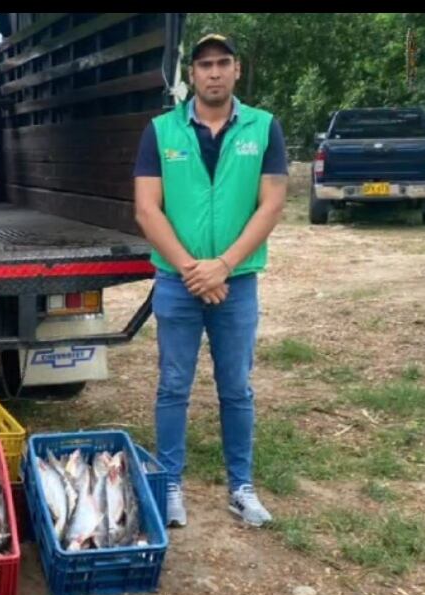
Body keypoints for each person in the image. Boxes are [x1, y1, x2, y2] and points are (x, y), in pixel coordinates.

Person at [133, 34, 288, 528]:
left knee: (236, 388)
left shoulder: (264, 128)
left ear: (236, 70)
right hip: (178, 283)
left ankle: (241, 487)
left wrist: (222, 265)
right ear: (192, 74)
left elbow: (272, 204)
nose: (214, 73)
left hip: (236, 283)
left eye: (223, 63)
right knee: (173, 386)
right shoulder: (160, 131)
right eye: (205, 65)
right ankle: (170, 484)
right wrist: (192, 270)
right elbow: (146, 208)